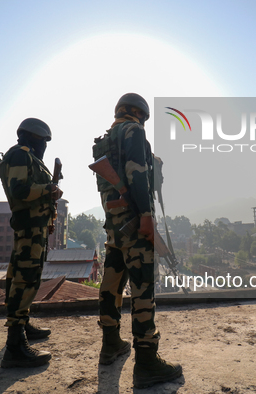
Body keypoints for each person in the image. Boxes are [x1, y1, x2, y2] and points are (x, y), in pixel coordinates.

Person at [93, 93, 183, 388]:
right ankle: (146, 360)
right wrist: (146, 214)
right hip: (134, 221)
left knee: (112, 282)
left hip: (114, 223)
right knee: (143, 284)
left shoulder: (103, 140)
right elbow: (137, 172)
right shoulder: (133, 131)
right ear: (140, 114)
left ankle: (110, 344)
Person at [0, 118, 62, 368]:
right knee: (25, 278)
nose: (45, 145)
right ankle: (15, 347)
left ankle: (22, 326)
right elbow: (20, 190)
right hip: (29, 228)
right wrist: (49, 190)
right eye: (43, 140)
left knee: (24, 276)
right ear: (33, 137)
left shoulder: (28, 157)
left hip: (34, 227)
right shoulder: (20, 155)